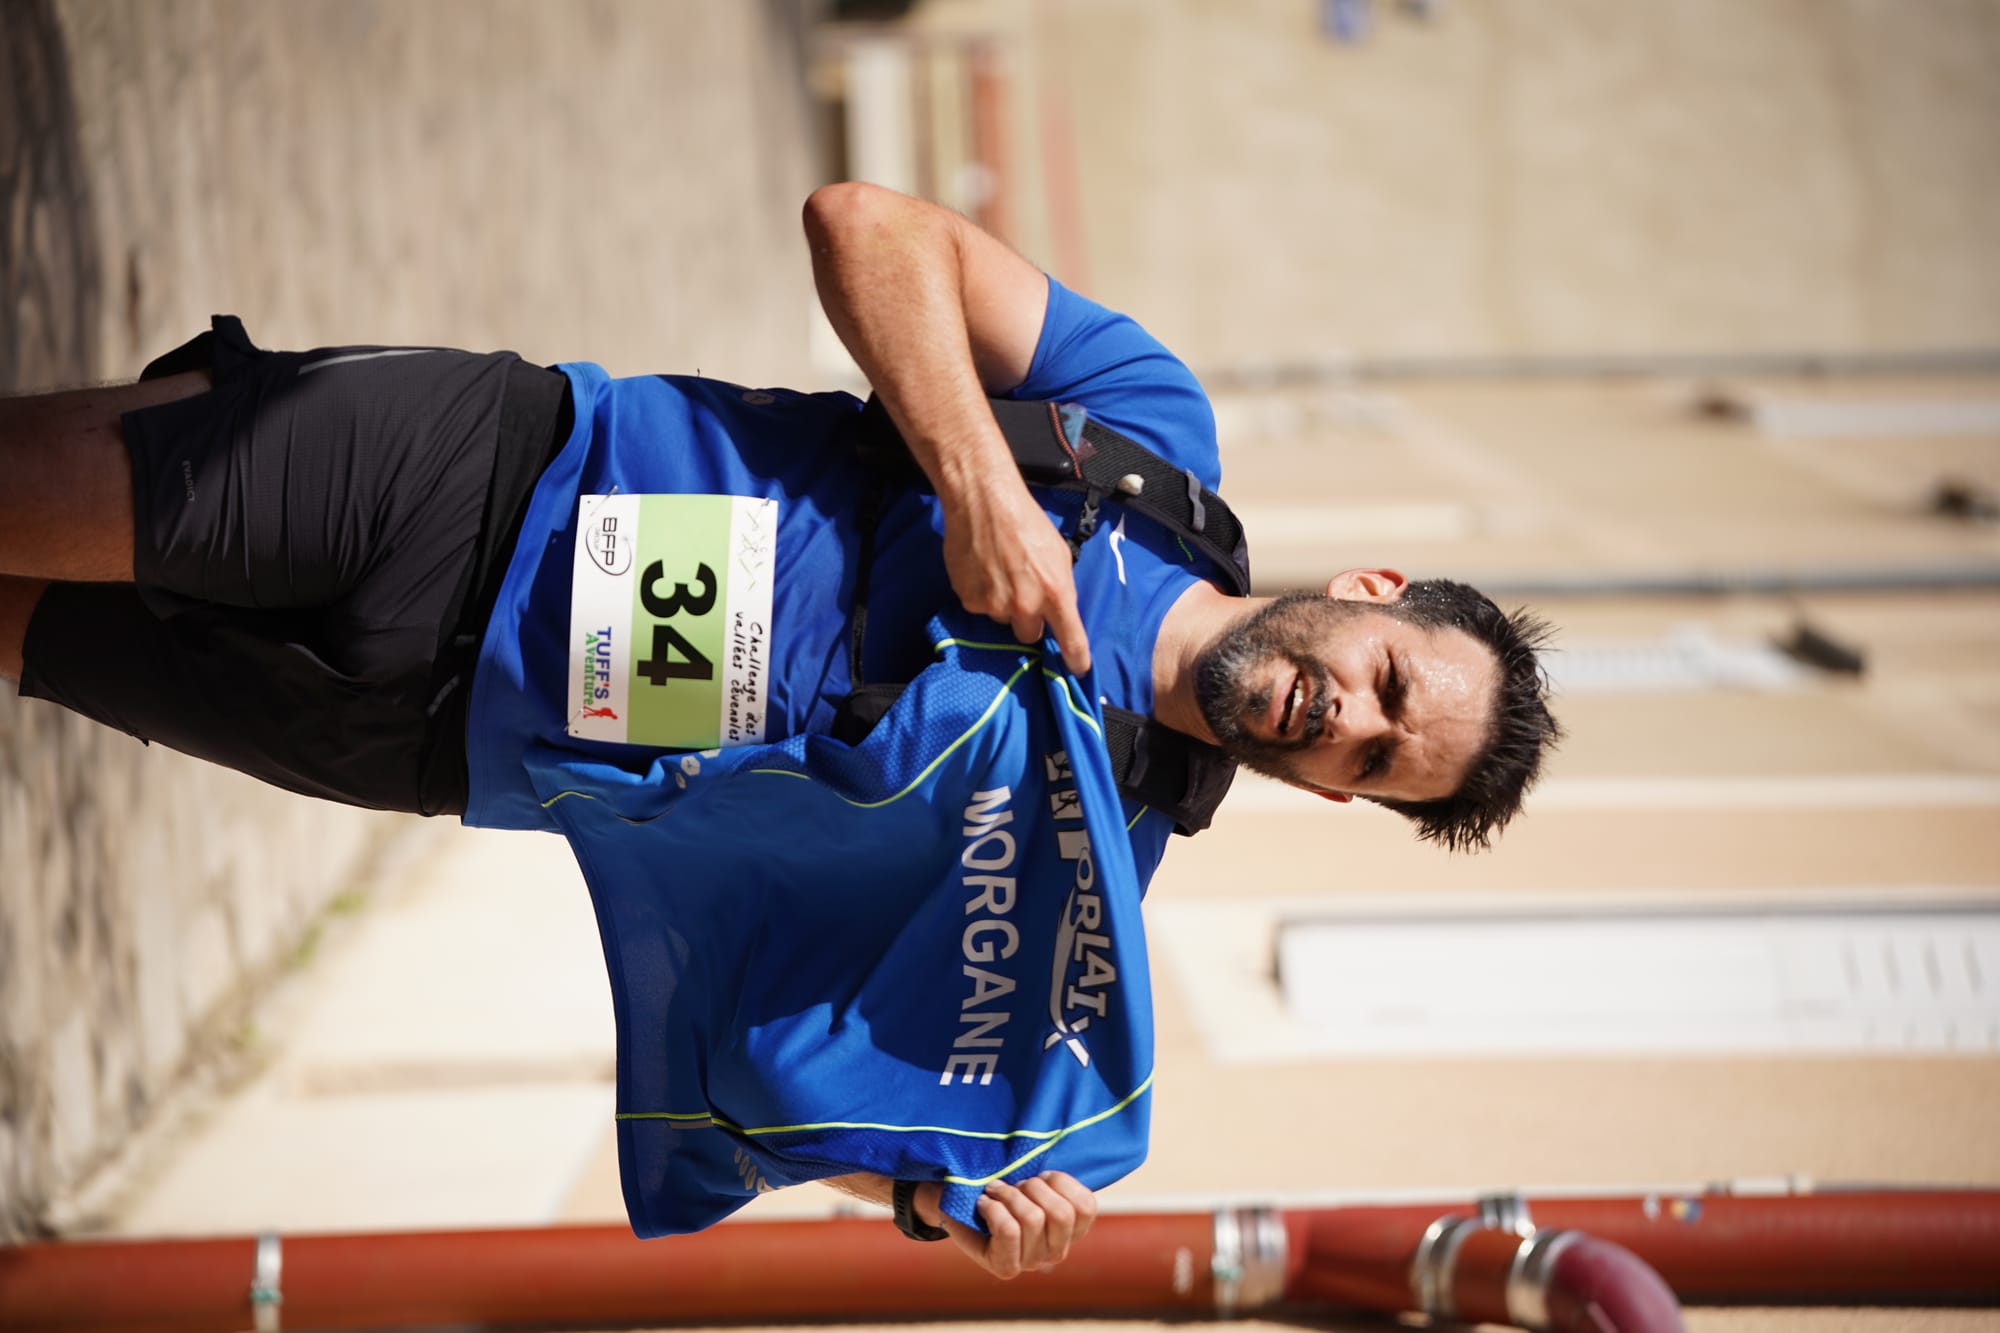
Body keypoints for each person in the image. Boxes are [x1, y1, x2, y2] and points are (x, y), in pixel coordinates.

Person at [0, 182, 1559, 1275]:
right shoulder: (1148, 441)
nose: (1344, 715)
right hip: (484, 477)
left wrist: (933, 1198)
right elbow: (866, 226)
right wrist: (982, 488)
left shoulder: (1086, 883)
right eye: (1386, 680)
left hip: (428, 740)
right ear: (1372, 593)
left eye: (1373, 756)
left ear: (1340, 795)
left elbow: (794, 1068)